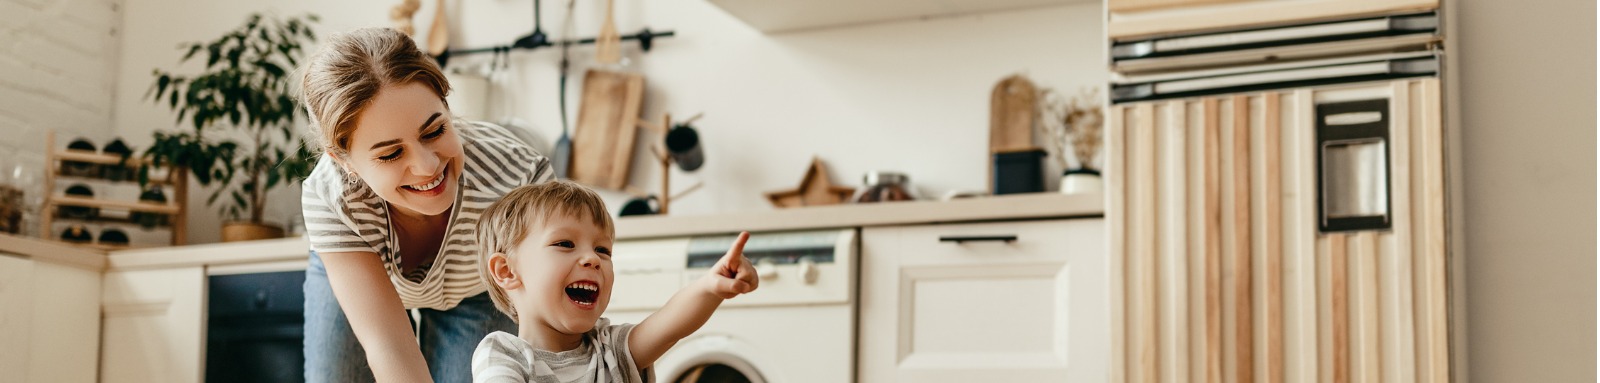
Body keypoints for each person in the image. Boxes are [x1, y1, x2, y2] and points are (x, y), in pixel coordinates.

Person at [297, 27, 554, 383]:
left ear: (447, 107)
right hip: (361, 272)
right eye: (390, 154)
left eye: (434, 131)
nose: (428, 166)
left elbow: (555, 319)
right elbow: (388, 345)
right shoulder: (331, 198)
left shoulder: (520, 178)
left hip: (478, 289)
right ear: (345, 162)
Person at [470, 181, 759, 382]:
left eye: (602, 250)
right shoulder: (502, 355)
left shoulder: (610, 350)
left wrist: (710, 286)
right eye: (565, 243)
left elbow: (670, 326)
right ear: (507, 271)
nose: (592, 259)